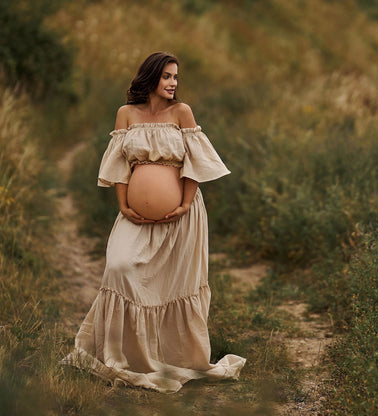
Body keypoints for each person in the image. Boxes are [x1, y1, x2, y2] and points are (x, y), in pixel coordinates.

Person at [61, 52, 246, 393]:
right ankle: (124, 354)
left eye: (176, 77)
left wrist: (186, 203)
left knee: (170, 286)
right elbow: (119, 166)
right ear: (150, 79)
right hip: (132, 216)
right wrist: (124, 205)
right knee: (119, 267)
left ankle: (169, 354)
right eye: (167, 77)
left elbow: (196, 162)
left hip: (181, 218)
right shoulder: (126, 114)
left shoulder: (182, 112)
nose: (173, 83)